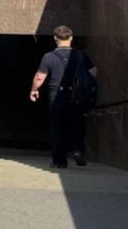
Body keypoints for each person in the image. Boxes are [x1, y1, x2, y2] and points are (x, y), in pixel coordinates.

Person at [30, 25, 97, 168]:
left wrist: (34, 90)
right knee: (78, 124)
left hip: (57, 96)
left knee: (58, 128)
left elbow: (40, 77)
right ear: (71, 38)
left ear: (55, 38)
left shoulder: (48, 57)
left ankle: (60, 161)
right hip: (77, 96)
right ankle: (78, 150)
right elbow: (93, 72)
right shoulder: (81, 55)